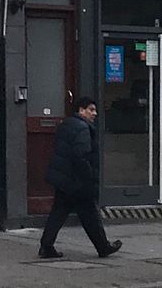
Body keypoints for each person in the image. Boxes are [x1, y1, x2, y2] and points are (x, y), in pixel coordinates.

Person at [39, 95, 122, 260]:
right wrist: (88, 178)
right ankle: (103, 246)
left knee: (59, 212)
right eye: (91, 110)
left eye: (95, 110)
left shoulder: (66, 125)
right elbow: (81, 156)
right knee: (90, 214)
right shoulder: (83, 128)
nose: (94, 113)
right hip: (77, 180)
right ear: (81, 110)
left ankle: (46, 246)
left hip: (64, 179)